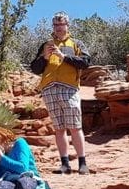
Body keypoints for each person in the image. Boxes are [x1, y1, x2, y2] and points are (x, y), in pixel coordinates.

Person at [29, 11, 92, 174]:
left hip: (69, 88)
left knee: (75, 126)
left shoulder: (76, 43)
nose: (58, 27)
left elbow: (85, 63)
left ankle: (82, 162)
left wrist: (64, 57)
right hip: (49, 88)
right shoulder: (46, 44)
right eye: (55, 25)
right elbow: (35, 68)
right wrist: (44, 57)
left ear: (67, 25)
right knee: (59, 128)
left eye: (61, 24)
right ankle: (64, 164)